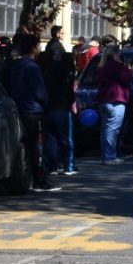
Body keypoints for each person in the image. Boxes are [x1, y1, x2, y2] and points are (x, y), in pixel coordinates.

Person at [9, 33, 59, 192]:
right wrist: (46, 103)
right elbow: (40, 92)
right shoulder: (32, 67)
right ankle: (39, 180)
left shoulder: (14, 65)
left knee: (26, 146)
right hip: (33, 110)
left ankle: (29, 178)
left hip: (19, 109)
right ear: (33, 48)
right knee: (37, 147)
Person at [43, 27, 76, 176]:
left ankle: (52, 167)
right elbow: (71, 96)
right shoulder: (65, 79)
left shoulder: (47, 76)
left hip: (50, 109)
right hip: (62, 110)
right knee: (66, 140)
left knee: (51, 139)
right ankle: (68, 166)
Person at [96, 43, 133, 165]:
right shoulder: (117, 65)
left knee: (105, 129)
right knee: (113, 129)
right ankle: (110, 157)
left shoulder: (101, 65)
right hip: (116, 100)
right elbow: (126, 77)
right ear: (116, 54)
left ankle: (105, 155)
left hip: (103, 99)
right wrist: (130, 70)